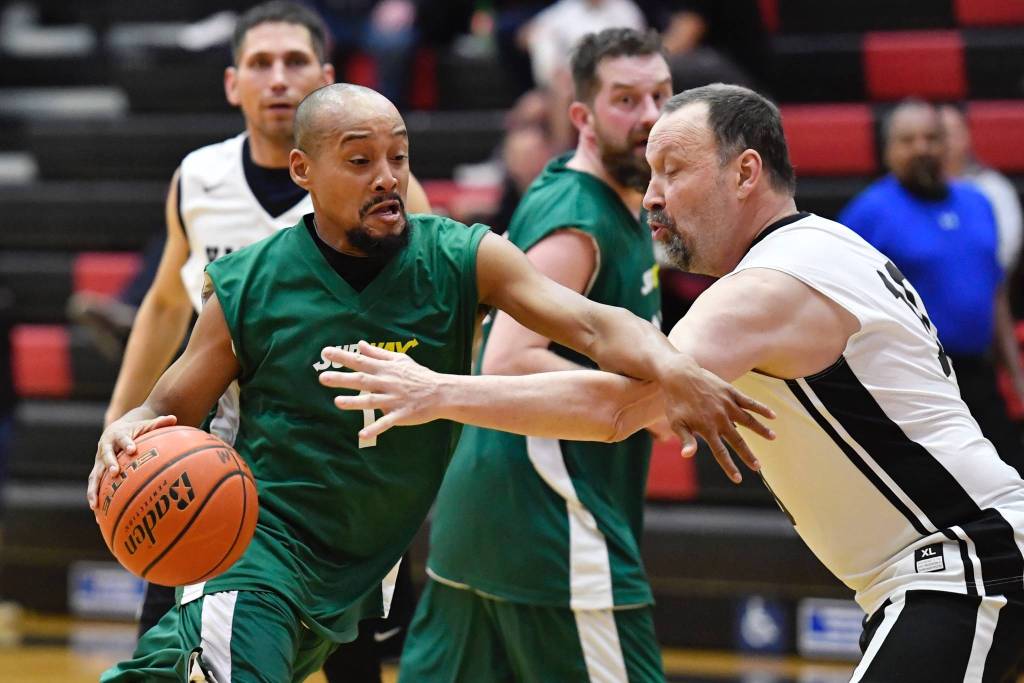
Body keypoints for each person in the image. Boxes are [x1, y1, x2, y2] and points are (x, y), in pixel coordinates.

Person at [323, 84, 1024, 682]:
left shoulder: (766, 286)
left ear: (745, 173)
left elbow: (617, 409)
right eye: (650, 173)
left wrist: (436, 392)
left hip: (962, 568)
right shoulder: (823, 249)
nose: (652, 196)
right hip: (944, 570)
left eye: (673, 171)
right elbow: (657, 410)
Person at [87, 82, 773, 683]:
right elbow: (166, 408)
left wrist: (674, 366)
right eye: (360, 161)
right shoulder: (249, 283)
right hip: (254, 556)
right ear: (303, 170)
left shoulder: (459, 258)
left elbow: (592, 325)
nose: (387, 177)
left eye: (399, 156)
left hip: (352, 575)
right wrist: (124, 431)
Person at [100, 3, 431, 681]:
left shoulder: (378, 186)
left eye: (295, 61)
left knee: (352, 666)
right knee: (167, 653)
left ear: (327, 78)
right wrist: (119, 423)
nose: (278, 78)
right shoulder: (198, 178)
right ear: (233, 83)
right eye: (260, 63)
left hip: (333, 484)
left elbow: (431, 308)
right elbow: (165, 303)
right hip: (205, 468)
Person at [397, 28, 671, 683]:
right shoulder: (579, 220)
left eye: (662, 95)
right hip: (549, 518)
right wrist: (649, 402)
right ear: (582, 116)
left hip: (482, 519)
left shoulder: (614, 197)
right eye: (626, 100)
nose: (651, 115)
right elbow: (509, 359)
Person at [839, 99, 1024, 475]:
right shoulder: (867, 214)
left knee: (1010, 479)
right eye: (908, 140)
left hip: (980, 377)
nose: (922, 148)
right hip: (914, 385)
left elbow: (995, 295)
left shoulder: (979, 203)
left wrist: (1016, 375)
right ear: (888, 150)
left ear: (948, 144)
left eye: (931, 137)